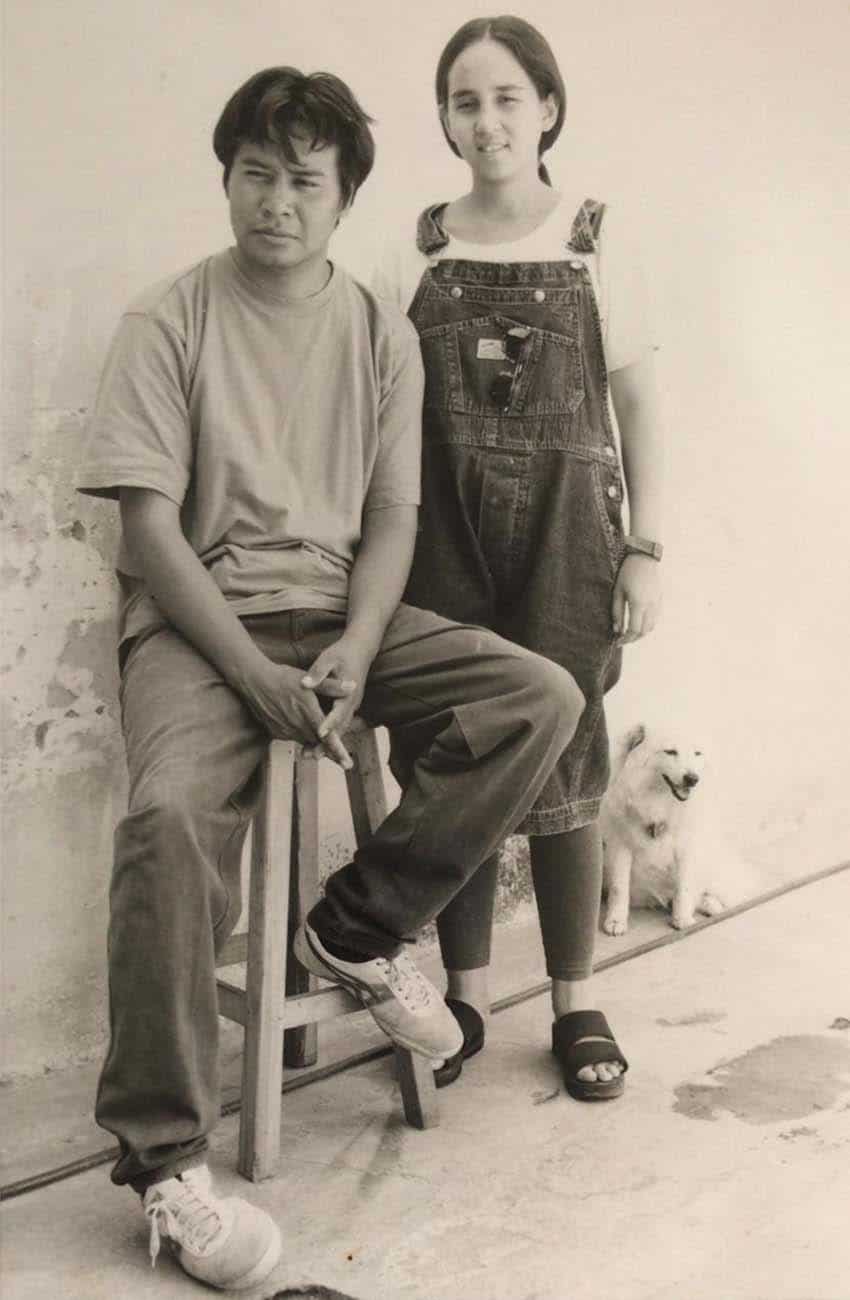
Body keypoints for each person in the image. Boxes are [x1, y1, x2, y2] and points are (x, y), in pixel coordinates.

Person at [76, 65, 585, 1291]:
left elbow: (394, 519)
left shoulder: (375, 332)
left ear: (342, 195)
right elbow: (148, 530)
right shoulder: (168, 319)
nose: (276, 203)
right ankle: (163, 1164)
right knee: (166, 820)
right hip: (202, 628)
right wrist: (252, 669)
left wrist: (358, 646)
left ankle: (354, 922)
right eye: (256, 174)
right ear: (227, 180)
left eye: (304, 179)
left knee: (539, 696)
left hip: (343, 614)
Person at [374, 16, 664, 1100]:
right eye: (463, 100)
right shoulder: (411, 245)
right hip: (437, 535)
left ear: (546, 106)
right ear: (444, 119)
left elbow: (638, 402)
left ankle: (575, 999)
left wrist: (646, 549)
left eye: (506, 97)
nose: (485, 120)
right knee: (453, 754)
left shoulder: (598, 238)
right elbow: (381, 402)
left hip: (570, 538)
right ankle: (463, 993)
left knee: (568, 755)